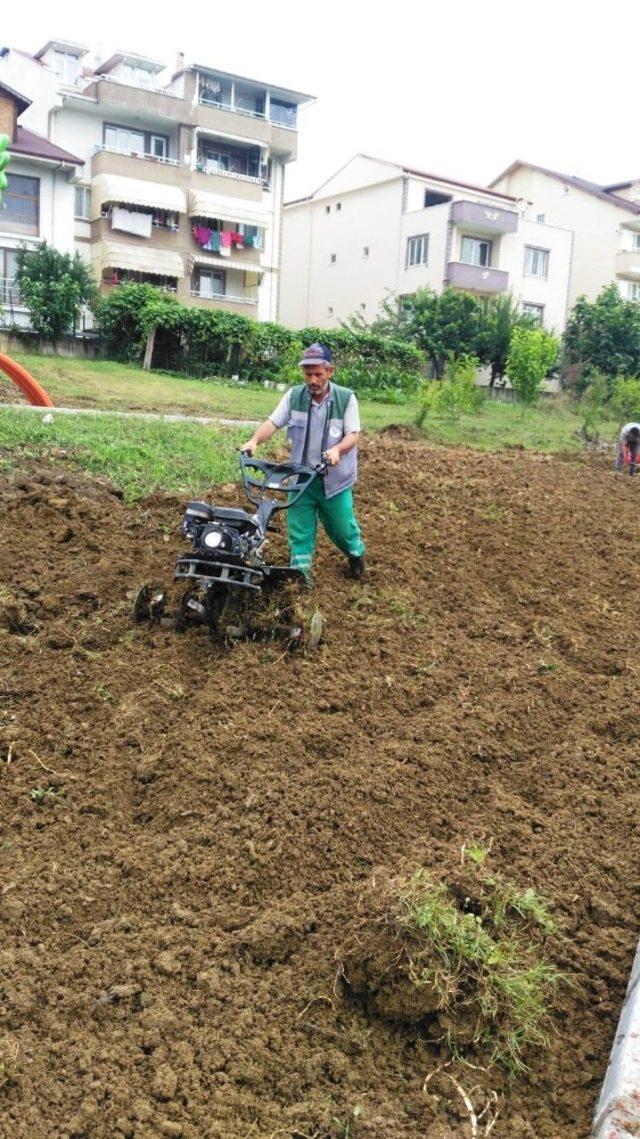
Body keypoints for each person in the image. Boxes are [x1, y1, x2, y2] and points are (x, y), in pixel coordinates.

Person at [242, 343, 366, 581]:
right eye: (308, 374)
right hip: (302, 480)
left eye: (318, 374)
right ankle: (300, 578)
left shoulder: (346, 399)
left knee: (342, 530)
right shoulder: (295, 396)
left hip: (334, 481)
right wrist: (254, 441)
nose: (312, 380)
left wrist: (338, 450)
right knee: (299, 532)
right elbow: (273, 422)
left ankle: (356, 554)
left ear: (330, 372)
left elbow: (353, 434)